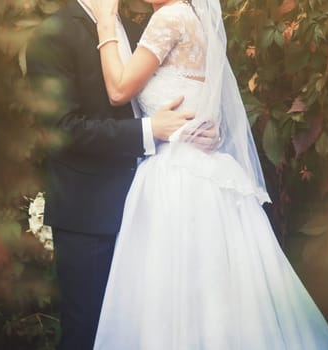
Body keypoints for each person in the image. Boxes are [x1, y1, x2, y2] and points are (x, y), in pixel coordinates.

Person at [88, 0, 328, 348]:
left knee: (173, 295)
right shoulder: (194, 20)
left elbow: (119, 90)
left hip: (175, 178)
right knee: (215, 295)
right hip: (204, 171)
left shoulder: (168, 17)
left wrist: (105, 24)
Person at [25, 1, 220, 349]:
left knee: (148, 330)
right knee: (90, 330)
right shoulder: (50, 36)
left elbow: (177, 93)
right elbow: (62, 129)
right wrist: (149, 131)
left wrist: (199, 128)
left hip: (154, 208)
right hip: (91, 216)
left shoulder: (140, 28)